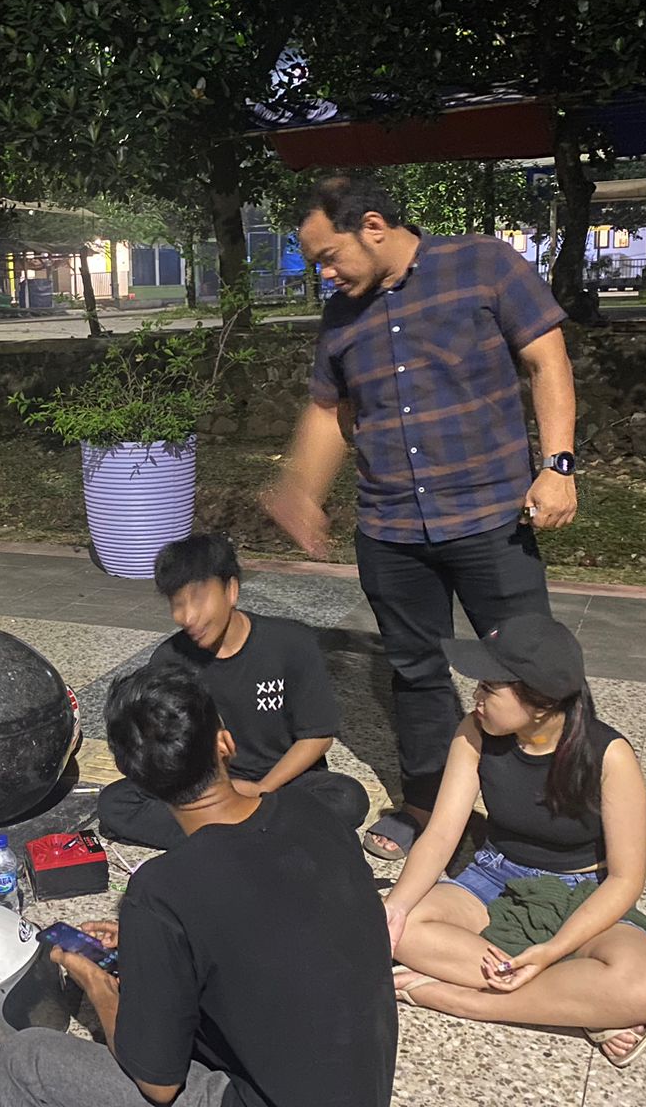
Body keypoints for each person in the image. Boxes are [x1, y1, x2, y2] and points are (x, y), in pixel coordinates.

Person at [263, 173, 579, 862]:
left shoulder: (484, 264)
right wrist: (300, 488)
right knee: (416, 673)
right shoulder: (341, 316)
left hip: (491, 516)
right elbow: (328, 410)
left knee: (531, 666)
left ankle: (553, 810)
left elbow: (546, 359)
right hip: (392, 531)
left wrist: (558, 465)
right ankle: (431, 808)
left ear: (373, 227)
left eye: (327, 257)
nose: (323, 274)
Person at [0, 664, 396, 1107]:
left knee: (24, 1060)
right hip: (364, 1089)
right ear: (225, 742)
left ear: (135, 779)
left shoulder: (163, 889)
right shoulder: (313, 813)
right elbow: (271, 920)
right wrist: (160, 945)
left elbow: (158, 1084)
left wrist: (96, 984)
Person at [386, 613, 646, 1068]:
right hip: (495, 877)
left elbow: (626, 879)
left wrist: (551, 952)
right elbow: (442, 832)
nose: (476, 698)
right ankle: (579, 1003)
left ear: (541, 702)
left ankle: (464, 1000)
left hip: (582, 892)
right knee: (398, 928)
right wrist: (396, 908)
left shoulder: (609, 755)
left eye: (490, 688)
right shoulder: (474, 732)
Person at [97, 533, 370, 849]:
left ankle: (217, 834)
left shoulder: (292, 644)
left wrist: (262, 788)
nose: (187, 616)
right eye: (177, 603)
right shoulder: (169, 659)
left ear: (231, 590)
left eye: (199, 599)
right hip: (204, 786)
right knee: (116, 802)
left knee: (347, 797)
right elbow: (160, 745)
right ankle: (261, 834)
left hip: (283, 784)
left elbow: (317, 737)